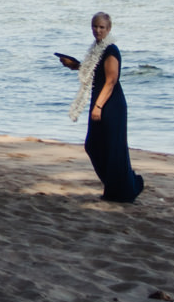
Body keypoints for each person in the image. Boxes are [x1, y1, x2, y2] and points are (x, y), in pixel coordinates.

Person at [59, 12, 144, 203]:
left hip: (110, 104)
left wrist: (98, 106)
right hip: (100, 101)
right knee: (94, 146)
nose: (97, 30)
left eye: (102, 27)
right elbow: (94, 73)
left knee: (112, 149)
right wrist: (75, 65)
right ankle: (118, 188)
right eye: (95, 27)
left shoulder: (110, 50)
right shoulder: (96, 49)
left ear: (109, 29)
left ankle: (123, 191)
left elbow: (111, 80)